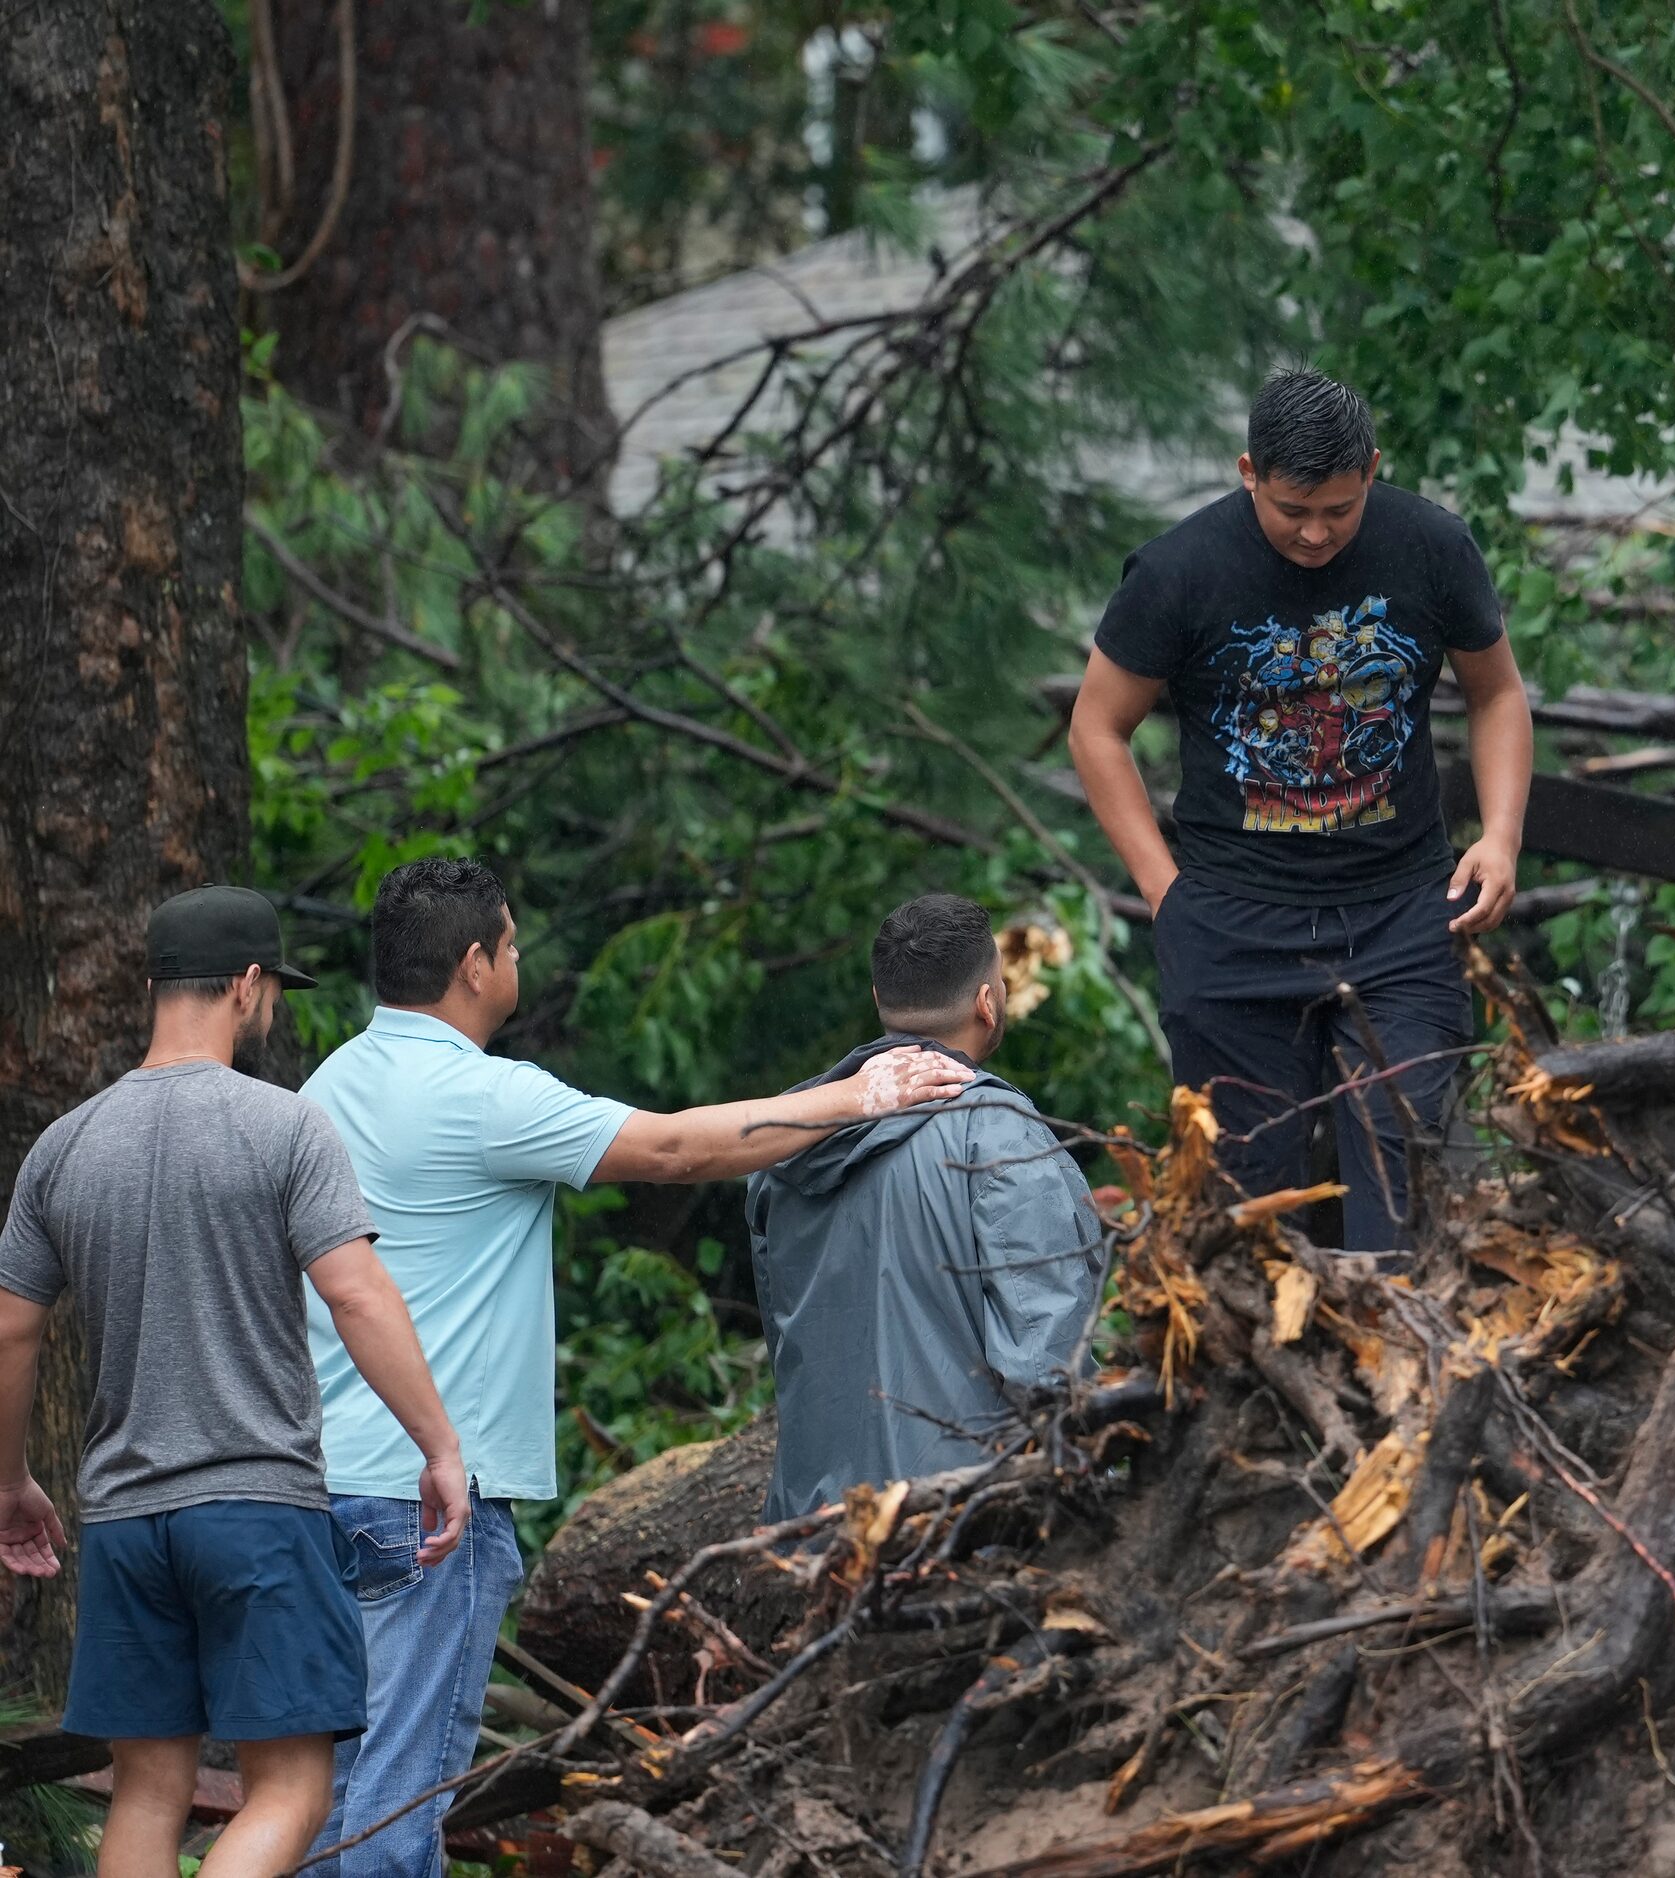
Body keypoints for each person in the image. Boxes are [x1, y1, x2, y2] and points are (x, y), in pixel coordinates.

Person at [298, 859, 972, 1876]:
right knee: (397, 1801)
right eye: (514, 945)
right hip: (430, 1500)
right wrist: (854, 1095)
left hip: (316, 1482)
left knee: (323, 1792)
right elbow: (669, 1150)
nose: (517, 961)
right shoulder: (480, 1096)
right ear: (476, 965)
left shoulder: (325, 1087)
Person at [0, 887, 468, 1878]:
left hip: (125, 1520)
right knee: (291, 1790)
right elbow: (358, 1296)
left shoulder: (65, 1147)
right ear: (248, 987)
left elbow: (10, 1329)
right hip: (258, 1508)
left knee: (148, 1788)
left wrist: (11, 1484)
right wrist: (438, 1445)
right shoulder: (286, 1127)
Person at [1068, 368, 1534, 1252]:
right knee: (1246, 1202)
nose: (1317, 533)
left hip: (1402, 911)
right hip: (1233, 921)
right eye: (1293, 510)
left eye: (1340, 510)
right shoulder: (1177, 570)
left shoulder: (1431, 546)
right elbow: (1098, 729)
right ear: (1249, 471)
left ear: (1374, 471)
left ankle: (1401, 1367)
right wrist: (1166, 893)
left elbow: (1498, 693)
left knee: (1405, 1163)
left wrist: (1501, 836)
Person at [747, 892, 1107, 1521]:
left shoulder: (785, 1142)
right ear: (988, 1004)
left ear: (880, 1003)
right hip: (963, 1534)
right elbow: (1050, 1370)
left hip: (814, 1532)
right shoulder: (1001, 1136)